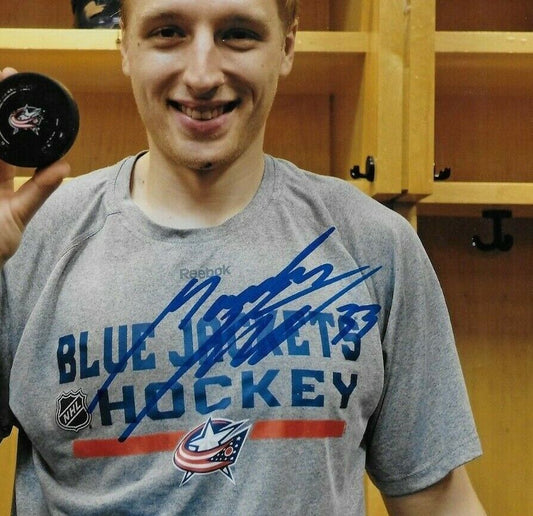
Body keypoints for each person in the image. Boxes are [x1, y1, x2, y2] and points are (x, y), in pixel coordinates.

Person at [0, 0, 486, 514]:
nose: (203, 75)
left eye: (238, 33)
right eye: (168, 32)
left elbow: (438, 501)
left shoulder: (373, 244)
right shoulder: (31, 243)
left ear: (287, 46)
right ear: (125, 45)